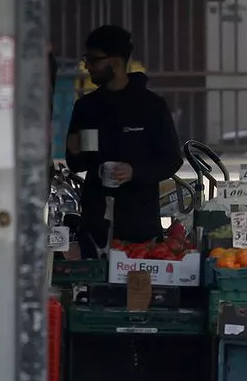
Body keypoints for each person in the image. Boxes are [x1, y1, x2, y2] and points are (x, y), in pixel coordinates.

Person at [65, 26, 183, 257]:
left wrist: (134, 171)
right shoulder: (86, 107)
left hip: (140, 222)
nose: (86, 65)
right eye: (85, 59)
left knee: (136, 288)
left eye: (93, 59)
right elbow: (77, 165)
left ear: (116, 62)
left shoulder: (151, 106)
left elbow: (171, 160)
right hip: (94, 220)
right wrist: (74, 150)